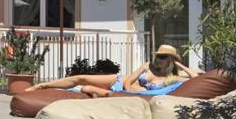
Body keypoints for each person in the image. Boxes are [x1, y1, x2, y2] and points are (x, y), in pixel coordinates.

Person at [26, 44, 201, 97]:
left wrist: (180, 65)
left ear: (171, 60)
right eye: (158, 56)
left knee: (84, 88)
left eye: (164, 57)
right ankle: (42, 86)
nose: (159, 60)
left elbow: (196, 79)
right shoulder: (147, 69)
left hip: (123, 92)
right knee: (80, 78)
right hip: (118, 81)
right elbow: (127, 82)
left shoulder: (173, 78)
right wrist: (141, 69)